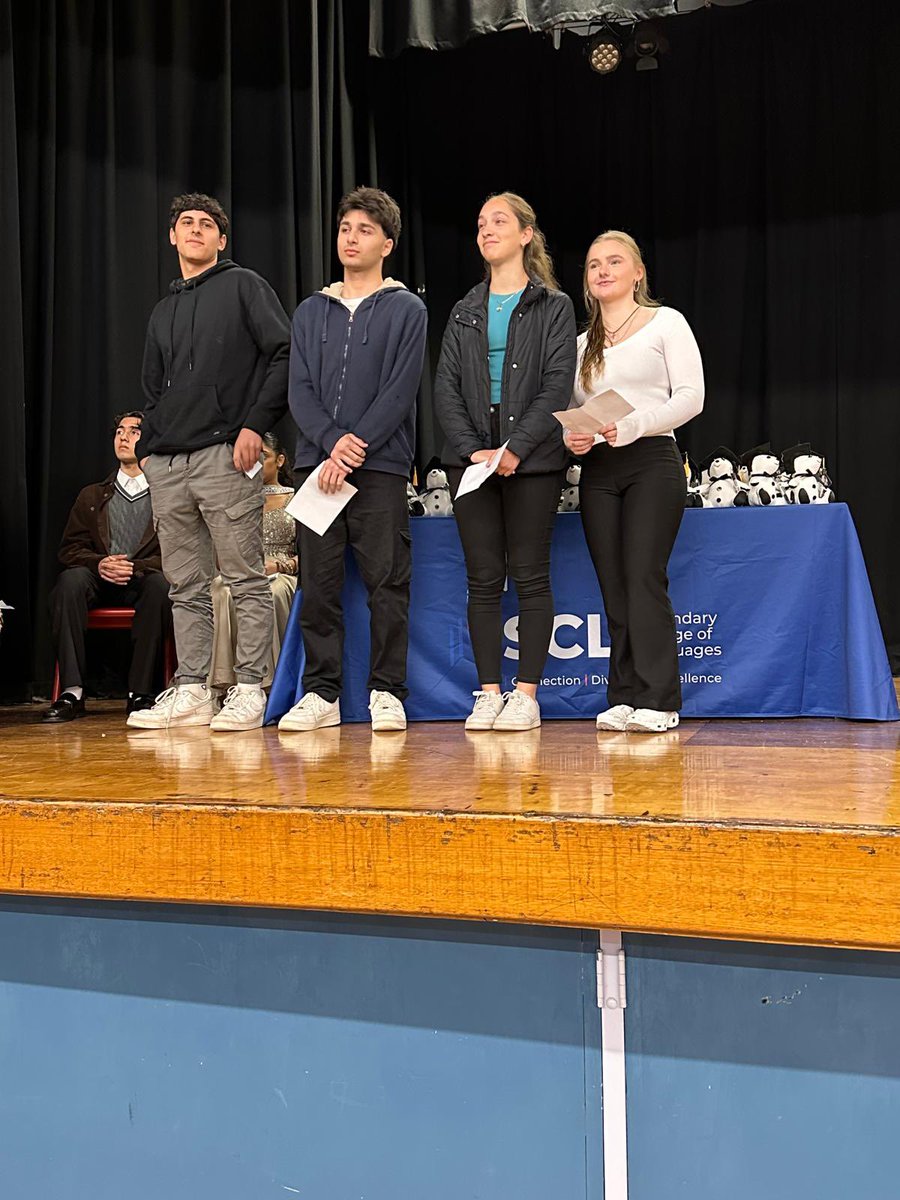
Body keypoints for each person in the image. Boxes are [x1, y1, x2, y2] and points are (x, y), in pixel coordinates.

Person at [130, 192, 290, 732]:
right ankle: (194, 689)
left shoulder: (245, 285)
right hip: (168, 462)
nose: (195, 230)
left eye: (207, 224)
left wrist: (253, 426)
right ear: (172, 237)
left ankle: (251, 688)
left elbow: (283, 352)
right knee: (184, 585)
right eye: (185, 223)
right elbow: (151, 390)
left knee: (244, 578)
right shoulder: (163, 309)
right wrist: (149, 450)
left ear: (222, 240)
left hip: (224, 453)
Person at [278, 187, 427, 734]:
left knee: (387, 582)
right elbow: (300, 391)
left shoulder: (407, 308)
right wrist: (331, 442)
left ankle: (387, 691)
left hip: (381, 466)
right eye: (345, 228)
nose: (351, 237)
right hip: (317, 467)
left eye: (365, 230)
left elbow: (400, 388)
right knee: (318, 586)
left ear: (387, 243)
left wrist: (355, 443)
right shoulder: (310, 309)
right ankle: (322, 692)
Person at [433, 192, 576, 732]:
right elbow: (444, 386)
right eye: (480, 222)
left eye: (498, 221)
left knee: (531, 577)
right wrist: (475, 450)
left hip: (534, 459)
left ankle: (526, 695)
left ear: (524, 234)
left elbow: (557, 384)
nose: (486, 230)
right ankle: (489, 692)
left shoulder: (553, 306)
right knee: (483, 579)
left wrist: (515, 447)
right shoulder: (466, 308)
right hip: (471, 462)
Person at [566, 231, 704, 733]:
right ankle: (623, 695)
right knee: (614, 584)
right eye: (593, 263)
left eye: (614, 261)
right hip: (599, 469)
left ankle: (660, 699)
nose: (602, 270)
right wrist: (576, 439)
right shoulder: (581, 344)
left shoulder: (666, 323)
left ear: (637, 272)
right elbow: (578, 414)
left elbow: (692, 397)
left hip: (651, 459)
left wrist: (634, 424)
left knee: (644, 574)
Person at [43, 412, 172, 723]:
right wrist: (99, 563)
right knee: (69, 581)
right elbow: (70, 549)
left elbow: (178, 553)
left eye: (134, 432)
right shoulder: (93, 494)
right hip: (97, 581)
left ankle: (139, 693)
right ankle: (72, 691)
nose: (123, 437)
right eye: (119, 431)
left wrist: (134, 566)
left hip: (141, 579)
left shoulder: (167, 496)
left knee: (160, 587)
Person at [209, 432, 297, 690]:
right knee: (219, 590)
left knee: (272, 590)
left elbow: (315, 553)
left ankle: (270, 683)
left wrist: (280, 565)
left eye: (264, 456)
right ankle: (224, 681)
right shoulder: (236, 498)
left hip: (284, 572)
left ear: (280, 460)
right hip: (242, 569)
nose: (256, 462)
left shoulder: (295, 498)